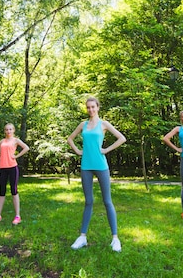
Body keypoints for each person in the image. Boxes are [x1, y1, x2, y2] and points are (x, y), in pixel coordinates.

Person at [67, 97, 127, 252]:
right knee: (88, 201)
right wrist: (78, 151)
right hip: (86, 166)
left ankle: (115, 239)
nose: (90, 110)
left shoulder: (104, 124)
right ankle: (82, 237)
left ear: (98, 107)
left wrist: (106, 150)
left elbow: (122, 138)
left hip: (101, 166)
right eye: (88, 107)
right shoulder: (83, 125)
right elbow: (70, 139)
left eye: (93, 107)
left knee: (107, 201)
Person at [0, 123, 30, 225]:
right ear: (4, 131)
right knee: (2, 191)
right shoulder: (2, 141)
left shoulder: (16, 140)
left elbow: (26, 148)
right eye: (6, 129)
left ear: (13, 130)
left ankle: (17, 216)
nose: (8, 131)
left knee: (14, 191)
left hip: (12, 167)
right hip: (2, 168)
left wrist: (16, 156)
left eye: (10, 129)